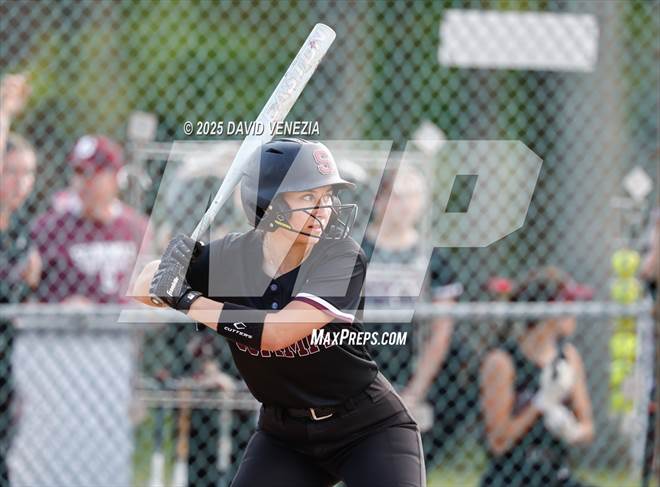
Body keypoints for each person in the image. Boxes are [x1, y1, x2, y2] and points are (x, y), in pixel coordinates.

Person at [133, 138, 426, 486]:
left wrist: (187, 300)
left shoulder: (342, 257)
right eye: (308, 197)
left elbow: (275, 333)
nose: (323, 209)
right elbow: (142, 286)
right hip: (285, 436)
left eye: (327, 197)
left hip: (366, 428)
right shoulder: (230, 257)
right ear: (269, 204)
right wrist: (167, 268)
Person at [360, 166, 466, 469]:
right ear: (379, 201)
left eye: (414, 196)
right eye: (398, 196)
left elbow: (442, 329)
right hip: (363, 359)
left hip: (410, 363)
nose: (407, 205)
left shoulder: (432, 256)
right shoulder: (355, 249)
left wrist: (416, 390)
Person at [480, 267, 595, 487]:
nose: (574, 313)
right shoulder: (503, 361)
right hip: (511, 478)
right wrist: (540, 404)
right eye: (567, 305)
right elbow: (498, 442)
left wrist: (570, 429)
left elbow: (588, 429)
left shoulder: (568, 356)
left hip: (555, 475)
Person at [30, 134, 149, 304]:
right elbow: (28, 297)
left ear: (115, 177)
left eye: (91, 173)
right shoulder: (49, 227)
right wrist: (60, 308)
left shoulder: (137, 227)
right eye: (77, 172)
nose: (82, 182)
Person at [0, 73, 40, 487]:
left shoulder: (22, 230)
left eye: (27, 173)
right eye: (10, 171)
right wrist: (5, 112)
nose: (19, 182)